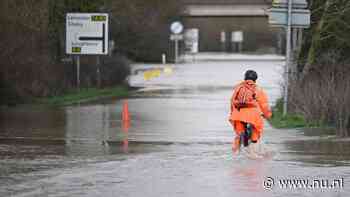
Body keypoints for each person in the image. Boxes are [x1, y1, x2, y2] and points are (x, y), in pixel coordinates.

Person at [229, 70, 272, 158]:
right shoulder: (258, 89)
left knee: (239, 133)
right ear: (255, 79)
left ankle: (235, 152)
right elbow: (264, 104)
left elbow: (232, 101)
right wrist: (268, 115)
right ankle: (253, 152)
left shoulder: (239, 87)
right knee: (256, 130)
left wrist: (232, 113)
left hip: (238, 114)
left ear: (245, 78)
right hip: (253, 115)